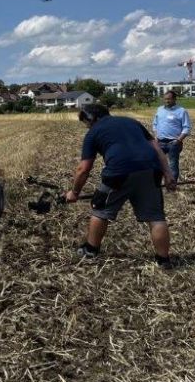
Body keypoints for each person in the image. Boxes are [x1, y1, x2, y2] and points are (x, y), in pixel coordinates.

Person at [66, 104, 177, 268]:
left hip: (119, 172)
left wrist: (74, 192)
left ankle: (90, 249)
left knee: (100, 209)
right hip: (151, 170)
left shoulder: (93, 133)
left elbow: (83, 169)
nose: (87, 127)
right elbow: (157, 148)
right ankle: (164, 260)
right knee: (156, 217)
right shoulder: (131, 122)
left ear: (92, 119)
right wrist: (168, 174)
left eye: (87, 123)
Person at [152, 90, 191, 182]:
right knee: (157, 163)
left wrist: (178, 140)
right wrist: (156, 136)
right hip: (160, 142)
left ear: (174, 99)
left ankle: (172, 186)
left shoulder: (181, 111)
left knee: (173, 165)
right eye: (165, 99)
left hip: (173, 143)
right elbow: (155, 123)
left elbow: (186, 127)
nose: (167, 101)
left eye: (169, 99)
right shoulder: (159, 109)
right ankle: (157, 184)